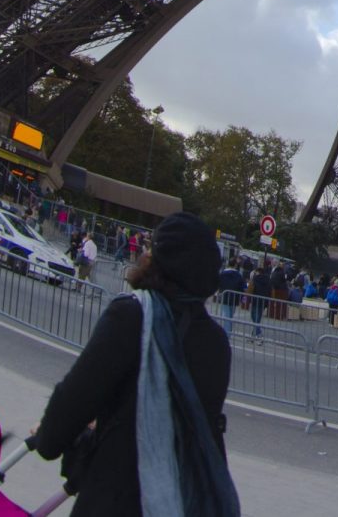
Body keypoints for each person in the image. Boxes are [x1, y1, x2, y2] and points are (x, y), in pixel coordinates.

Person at [33, 212, 237, 516]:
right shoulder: (218, 345)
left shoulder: (131, 317)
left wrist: (52, 437)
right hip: (182, 502)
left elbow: (72, 404)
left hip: (117, 499)